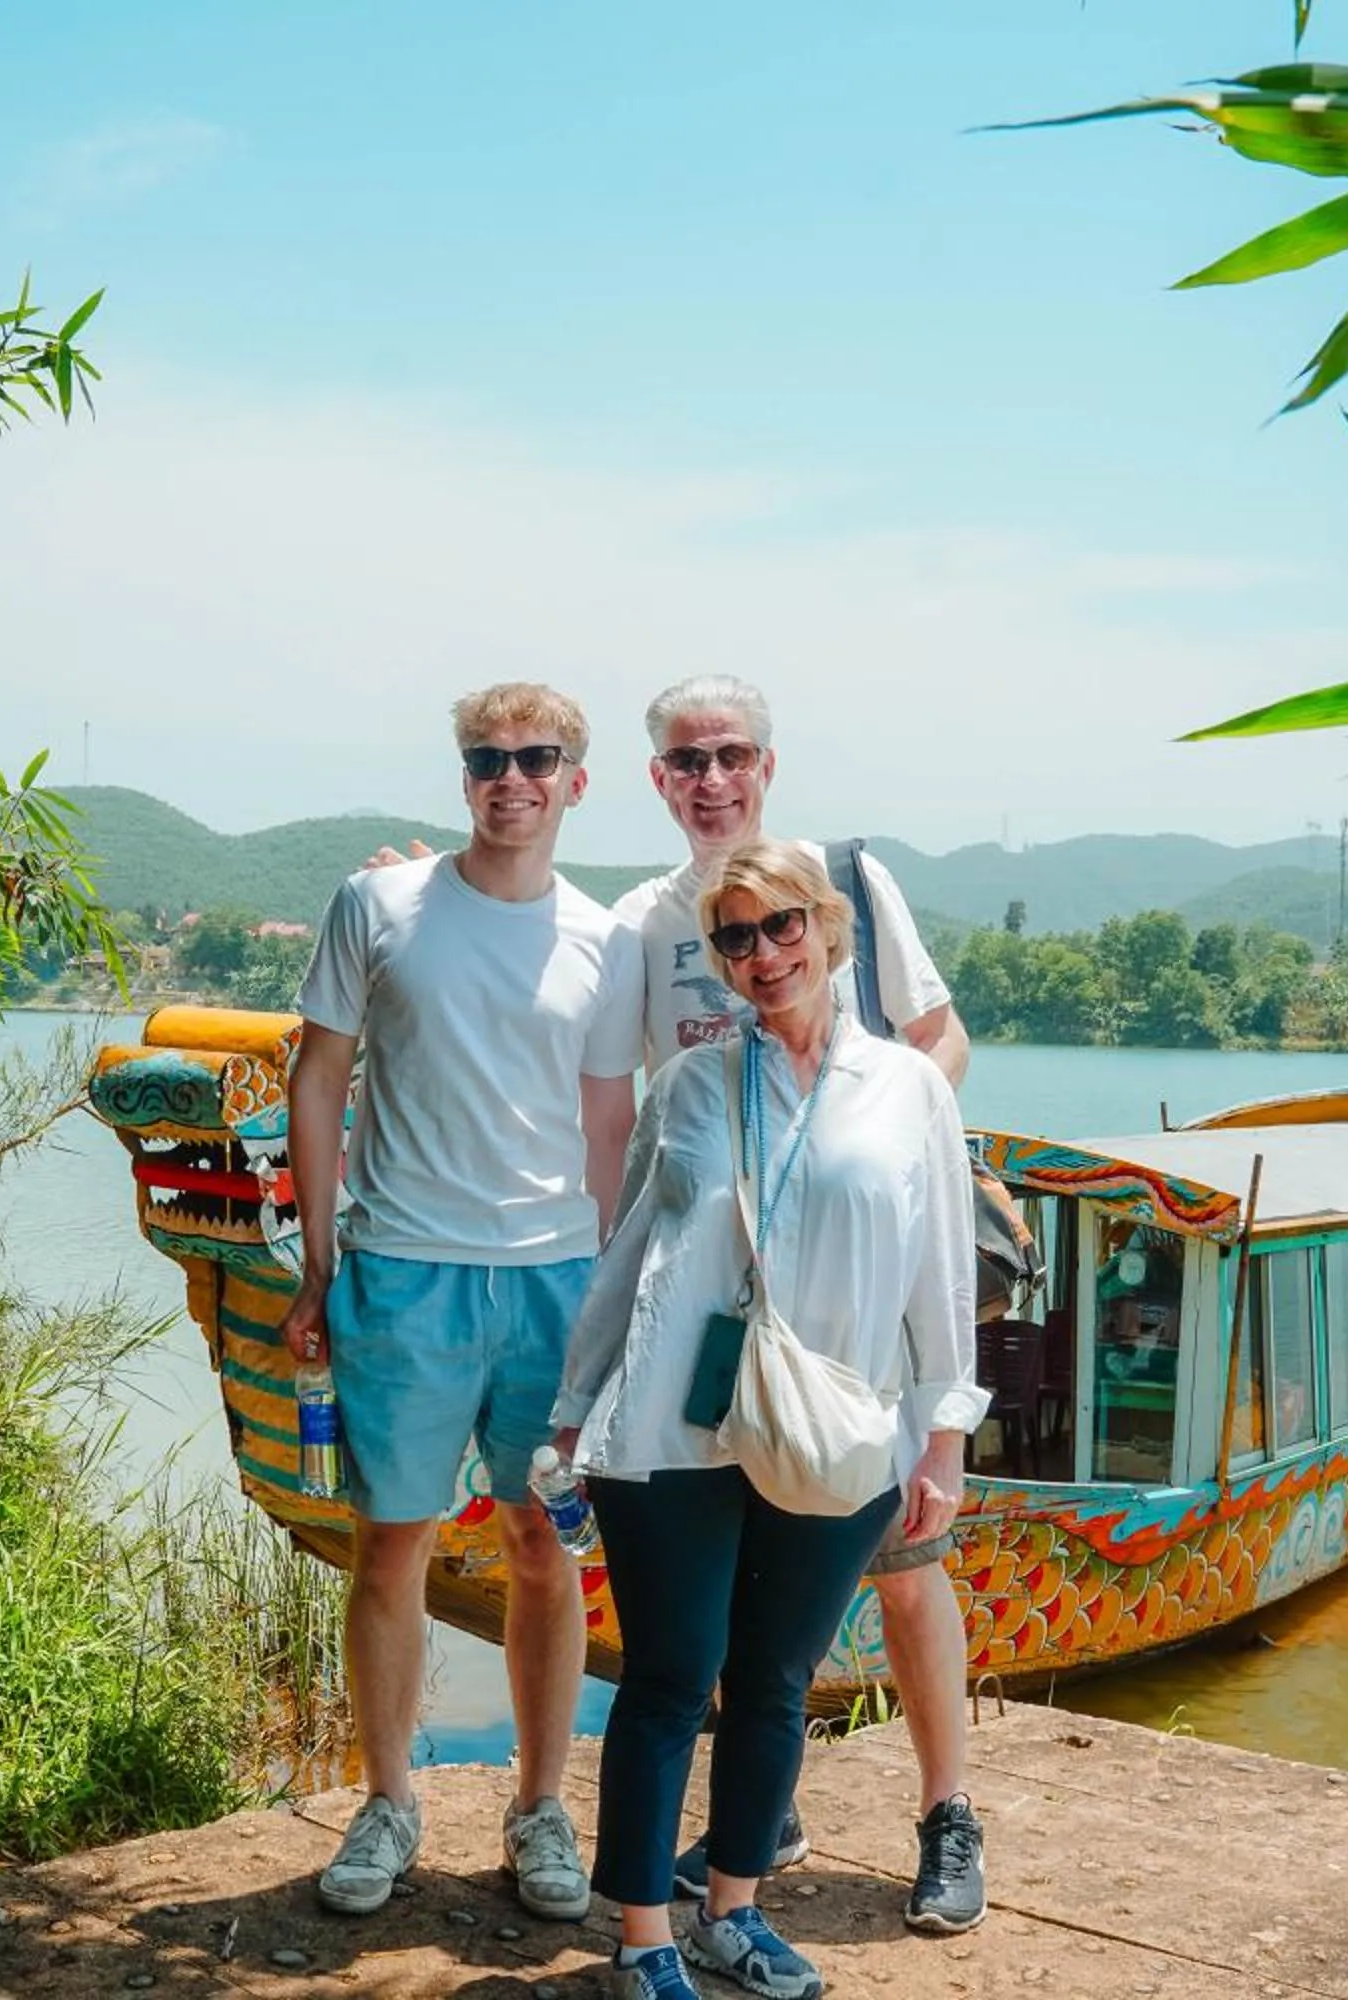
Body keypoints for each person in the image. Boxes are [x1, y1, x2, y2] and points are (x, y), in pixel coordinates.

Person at [553, 839, 986, 2000]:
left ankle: (733, 1911)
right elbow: (629, 1256)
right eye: (734, 936)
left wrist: (942, 1433)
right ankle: (646, 1934)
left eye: (782, 924)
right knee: (670, 1677)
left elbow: (940, 1270)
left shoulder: (908, 1089)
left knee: (777, 1676)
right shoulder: (692, 1086)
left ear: (829, 929)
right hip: (675, 1421)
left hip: (836, 1422)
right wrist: (570, 1414)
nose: (762, 953)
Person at [281, 683, 642, 1923]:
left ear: (575, 781)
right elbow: (319, 1074)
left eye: (537, 758)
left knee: (544, 1544)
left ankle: (542, 1806)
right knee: (395, 1540)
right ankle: (388, 1800)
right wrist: (320, 1260)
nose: (511, 778)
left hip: (551, 1282)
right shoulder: (379, 903)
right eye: (488, 758)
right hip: (405, 1273)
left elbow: (608, 1124)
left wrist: (612, 1305)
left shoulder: (604, 939)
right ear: (464, 774)